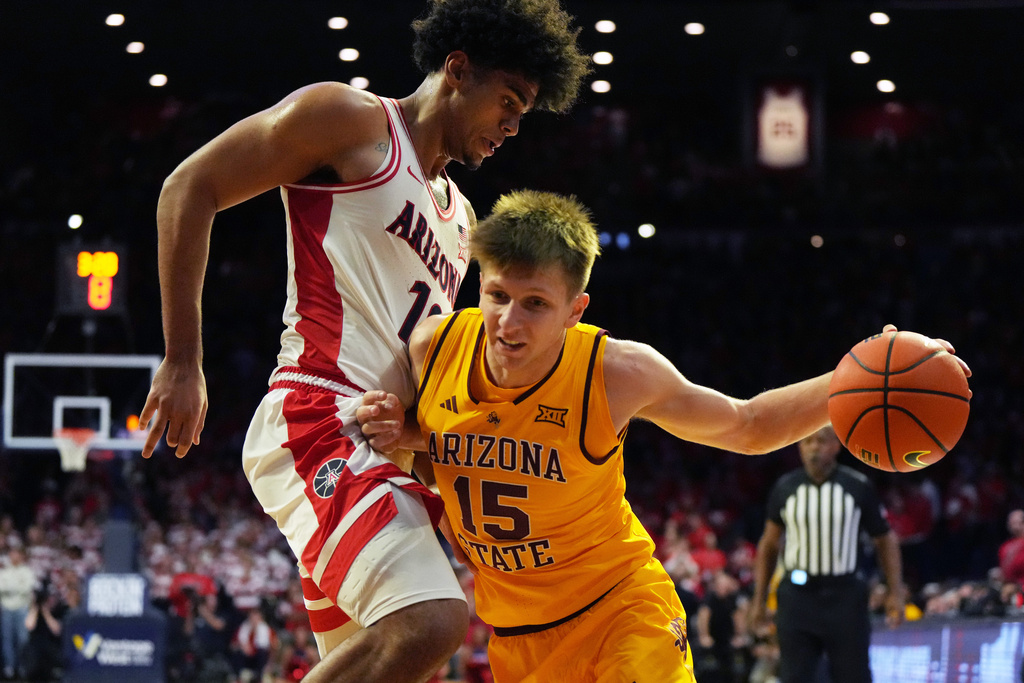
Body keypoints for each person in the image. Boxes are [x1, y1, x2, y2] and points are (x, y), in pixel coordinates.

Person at [138, 1, 589, 681]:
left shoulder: (462, 220)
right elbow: (188, 187)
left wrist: (419, 431)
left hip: (382, 446)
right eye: (509, 101)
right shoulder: (351, 120)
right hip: (319, 415)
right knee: (432, 622)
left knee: (404, 660)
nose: (514, 126)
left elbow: (422, 361)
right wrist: (181, 358)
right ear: (457, 71)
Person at [356, 189, 969, 682]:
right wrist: (398, 428)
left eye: (536, 304)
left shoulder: (615, 372)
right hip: (517, 633)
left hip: (621, 608)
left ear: (576, 309)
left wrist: (856, 379)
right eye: (497, 296)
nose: (508, 322)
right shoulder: (434, 349)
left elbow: (747, 425)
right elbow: (444, 449)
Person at [749, 426, 907, 683]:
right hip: (797, 596)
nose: (813, 447)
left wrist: (895, 592)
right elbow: (768, 545)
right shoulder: (785, 488)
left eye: (821, 441)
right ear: (799, 447)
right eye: (807, 441)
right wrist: (759, 599)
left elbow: (885, 540)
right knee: (794, 675)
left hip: (845, 596)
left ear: (837, 445)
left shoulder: (858, 486)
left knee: (853, 675)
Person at [0, 547, 37, 680]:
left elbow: (26, 588)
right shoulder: (4, 571)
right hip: (6, 609)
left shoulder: (26, 571)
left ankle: (23, 667)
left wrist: (9, 588)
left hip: (22, 609)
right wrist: (15, 587)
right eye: (12, 553)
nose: (14, 556)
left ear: (21, 556)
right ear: (9, 555)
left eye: (17, 554)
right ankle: (10, 667)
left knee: (23, 639)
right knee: (7, 639)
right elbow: (1, 588)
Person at [999, 508, 1024, 585]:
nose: (1014, 526)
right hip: (1010, 586)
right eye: (1011, 523)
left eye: (1017, 522)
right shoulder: (1005, 546)